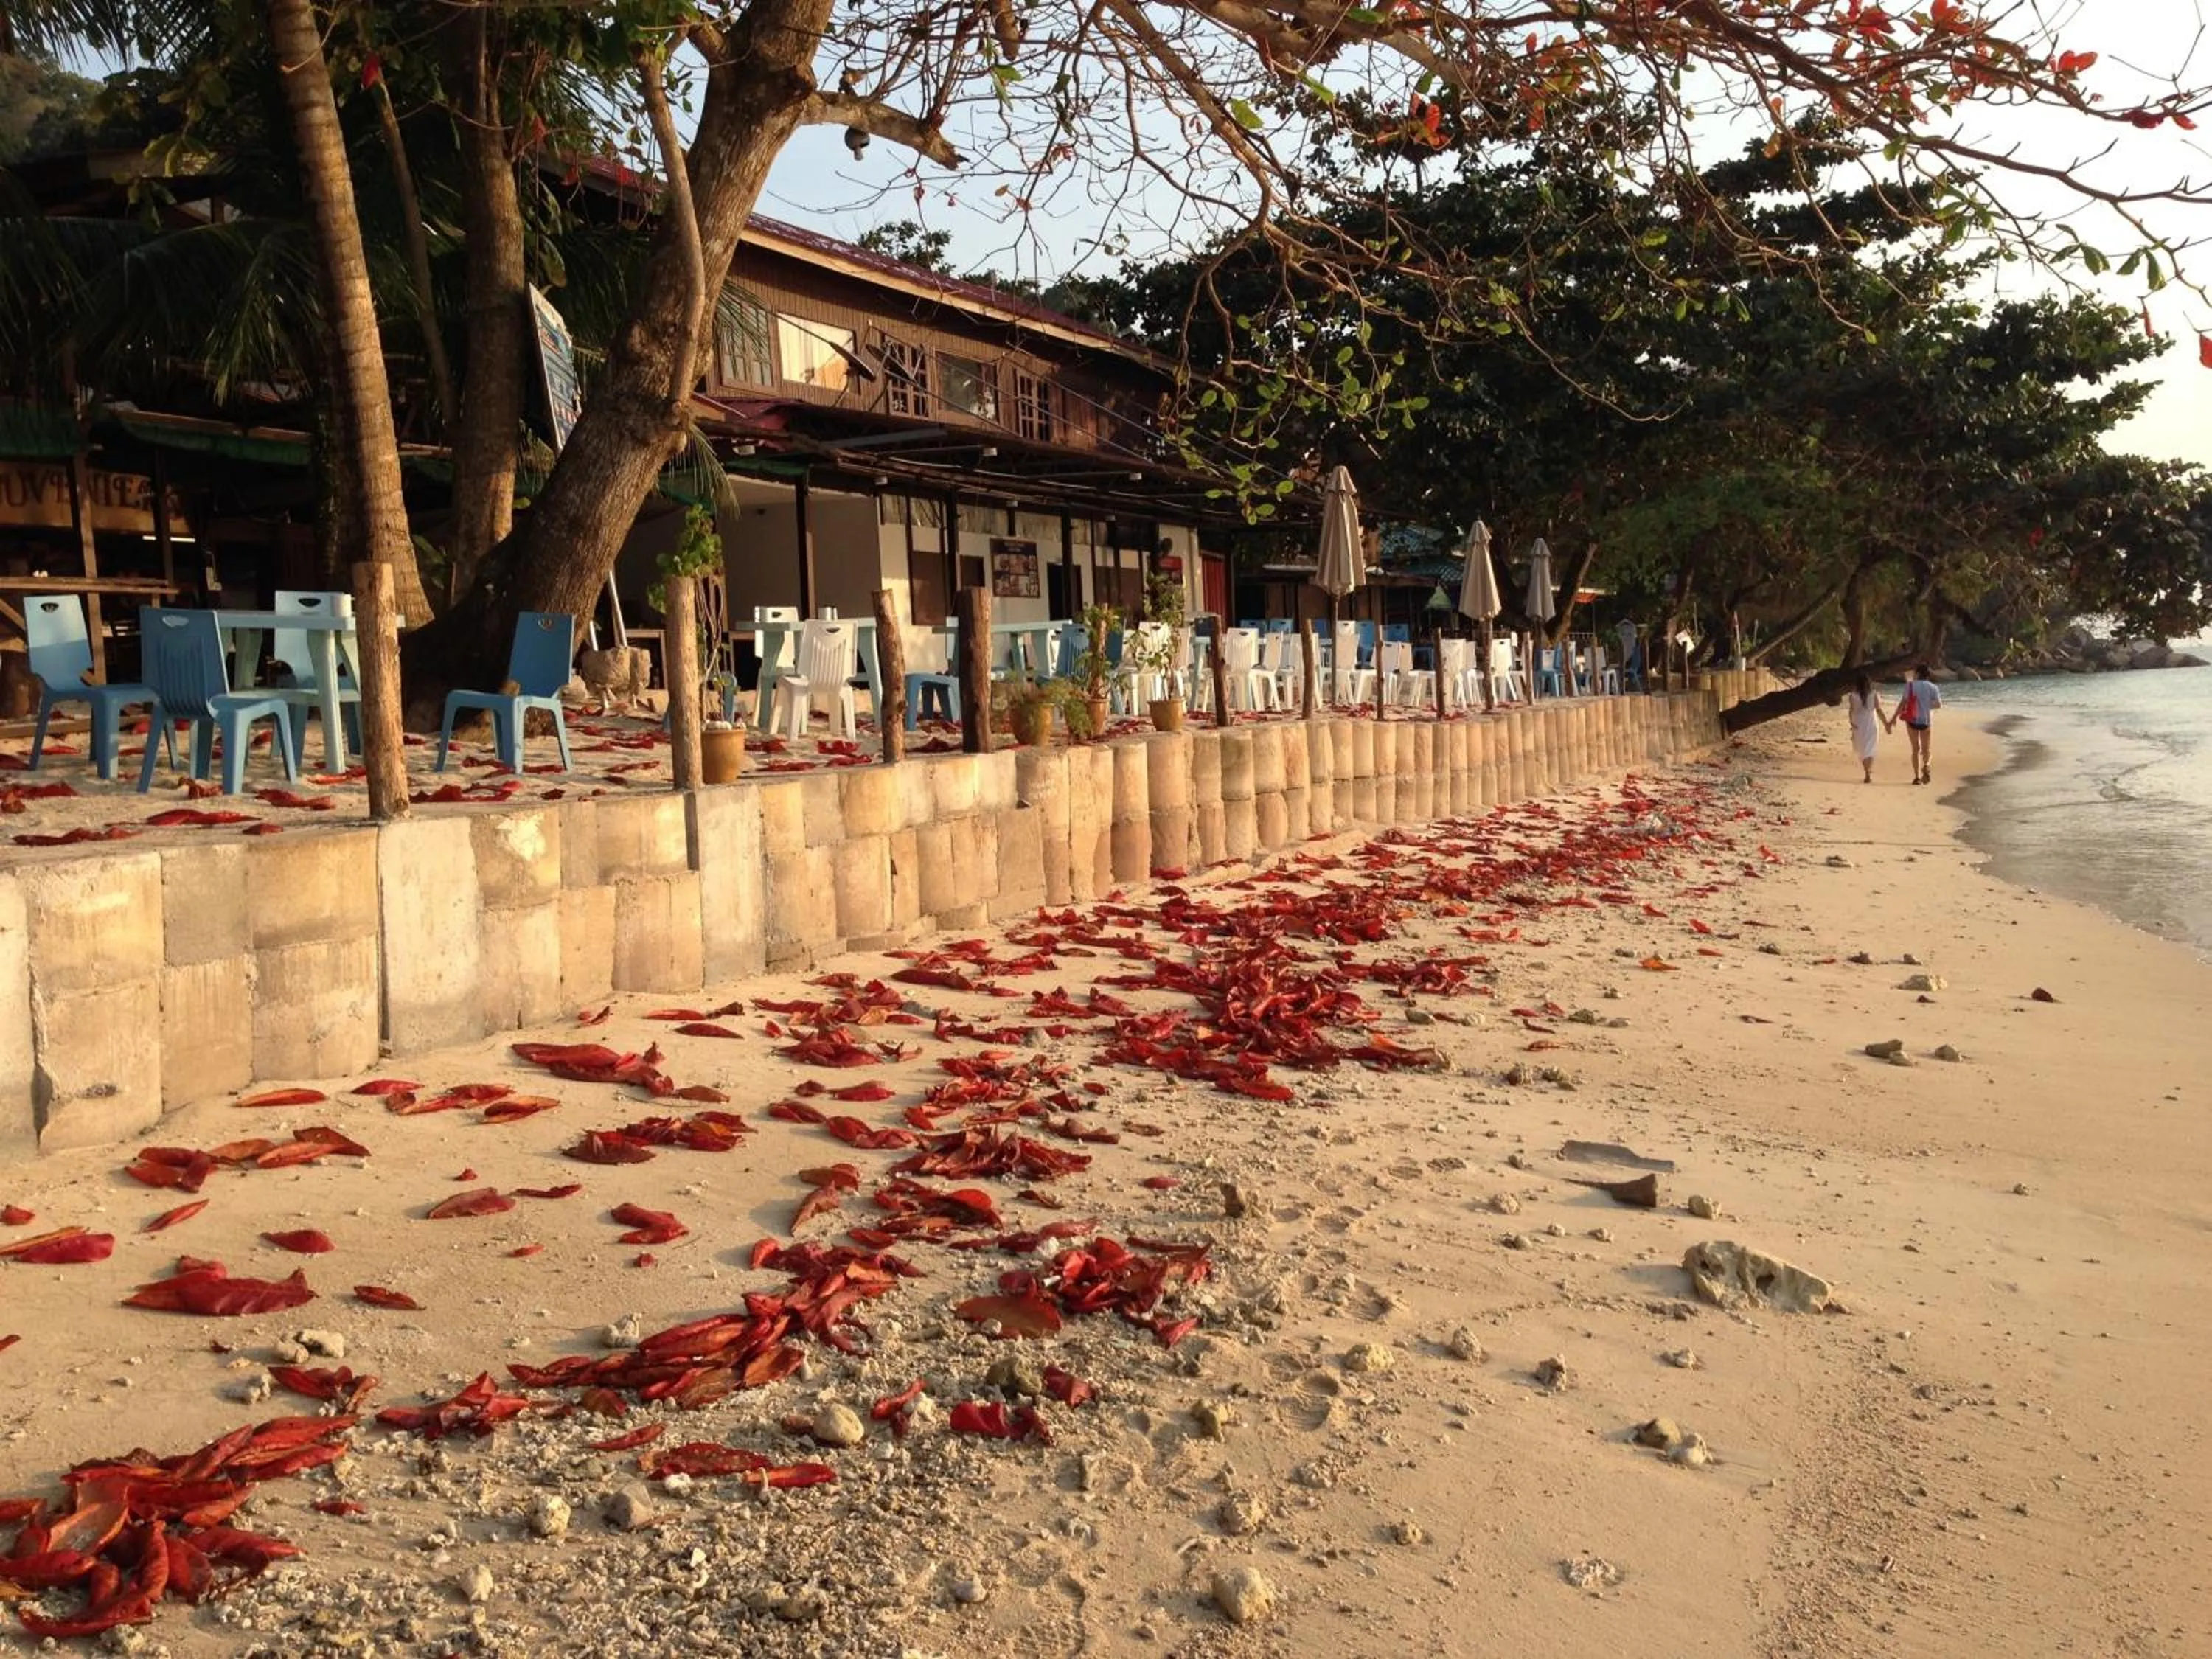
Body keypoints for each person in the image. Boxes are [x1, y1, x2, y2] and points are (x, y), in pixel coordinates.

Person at [1896, 664, 1942, 785]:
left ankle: (1917, 777)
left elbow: (1903, 703)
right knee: (1927, 749)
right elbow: (1939, 705)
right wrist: (1926, 706)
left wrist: (1892, 720)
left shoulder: (1910, 685)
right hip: (1926, 721)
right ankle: (1926, 765)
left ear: (1917, 673)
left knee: (1915, 749)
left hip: (1912, 720)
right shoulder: (1933, 687)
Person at [1846, 671, 1891, 783]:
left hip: (1858, 724)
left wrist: (1851, 722)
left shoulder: (1852, 696)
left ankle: (1867, 771)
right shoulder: (1874, 694)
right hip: (1871, 723)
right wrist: (1886, 724)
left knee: (1862, 749)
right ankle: (1868, 772)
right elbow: (1879, 710)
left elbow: (1851, 711)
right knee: (1870, 748)